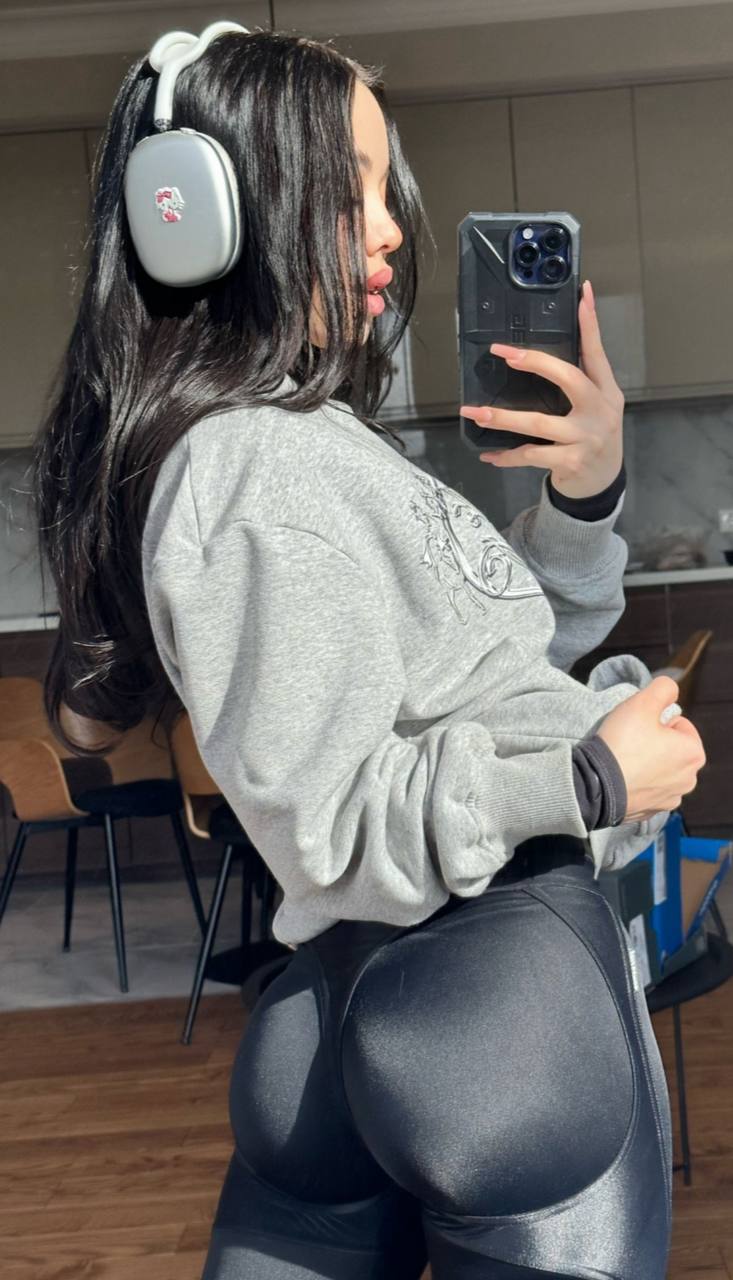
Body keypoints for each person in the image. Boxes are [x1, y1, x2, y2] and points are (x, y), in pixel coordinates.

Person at [30, 23, 706, 1279]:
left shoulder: (299, 442)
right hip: (495, 987)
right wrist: (586, 779)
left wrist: (585, 495)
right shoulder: (255, 470)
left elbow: (472, 669)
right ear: (207, 216)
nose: (390, 227)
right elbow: (334, 824)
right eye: (348, 192)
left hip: (352, 1009)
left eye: (385, 189)